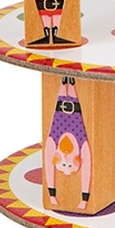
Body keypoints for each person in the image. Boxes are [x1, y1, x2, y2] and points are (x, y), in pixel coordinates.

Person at [44, 76, 91, 210]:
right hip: (75, 121)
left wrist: (52, 195)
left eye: (63, 165)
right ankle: (68, 81)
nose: (66, 160)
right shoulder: (82, 147)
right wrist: (84, 199)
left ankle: (65, 81)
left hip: (60, 119)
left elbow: (48, 163)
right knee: (70, 85)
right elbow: (87, 167)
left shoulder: (53, 143)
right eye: (69, 165)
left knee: (63, 84)